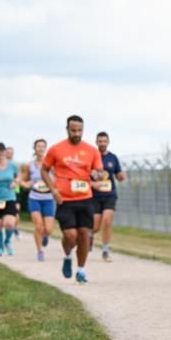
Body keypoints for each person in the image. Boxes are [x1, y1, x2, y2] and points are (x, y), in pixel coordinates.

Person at [42, 115, 104, 284]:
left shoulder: (92, 150)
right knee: (70, 235)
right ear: (67, 129)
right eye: (73, 130)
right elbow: (44, 170)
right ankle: (68, 256)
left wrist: (96, 174)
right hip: (65, 199)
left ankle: (81, 270)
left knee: (84, 235)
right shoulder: (56, 149)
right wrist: (52, 189)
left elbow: (100, 172)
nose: (76, 133)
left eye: (79, 130)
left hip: (85, 198)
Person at [90, 131, 127, 262]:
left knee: (107, 221)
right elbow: (83, 177)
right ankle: (90, 235)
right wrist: (93, 184)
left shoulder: (113, 158)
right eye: (100, 141)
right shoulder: (91, 157)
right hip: (95, 196)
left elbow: (118, 175)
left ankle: (105, 251)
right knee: (95, 226)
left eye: (104, 141)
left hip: (110, 195)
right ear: (96, 142)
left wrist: (121, 176)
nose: (102, 144)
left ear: (108, 142)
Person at [20, 139, 56, 262]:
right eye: (38, 146)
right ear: (34, 149)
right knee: (39, 226)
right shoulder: (29, 165)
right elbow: (22, 180)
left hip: (48, 199)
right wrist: (27, 184)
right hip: (34, 198)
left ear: (46, 149)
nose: (40, 149)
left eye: (43, 146)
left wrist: (53, 184)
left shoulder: (51, 164)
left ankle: (45, 236)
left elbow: (58, 179)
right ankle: (40, 251)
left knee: (49, 229)